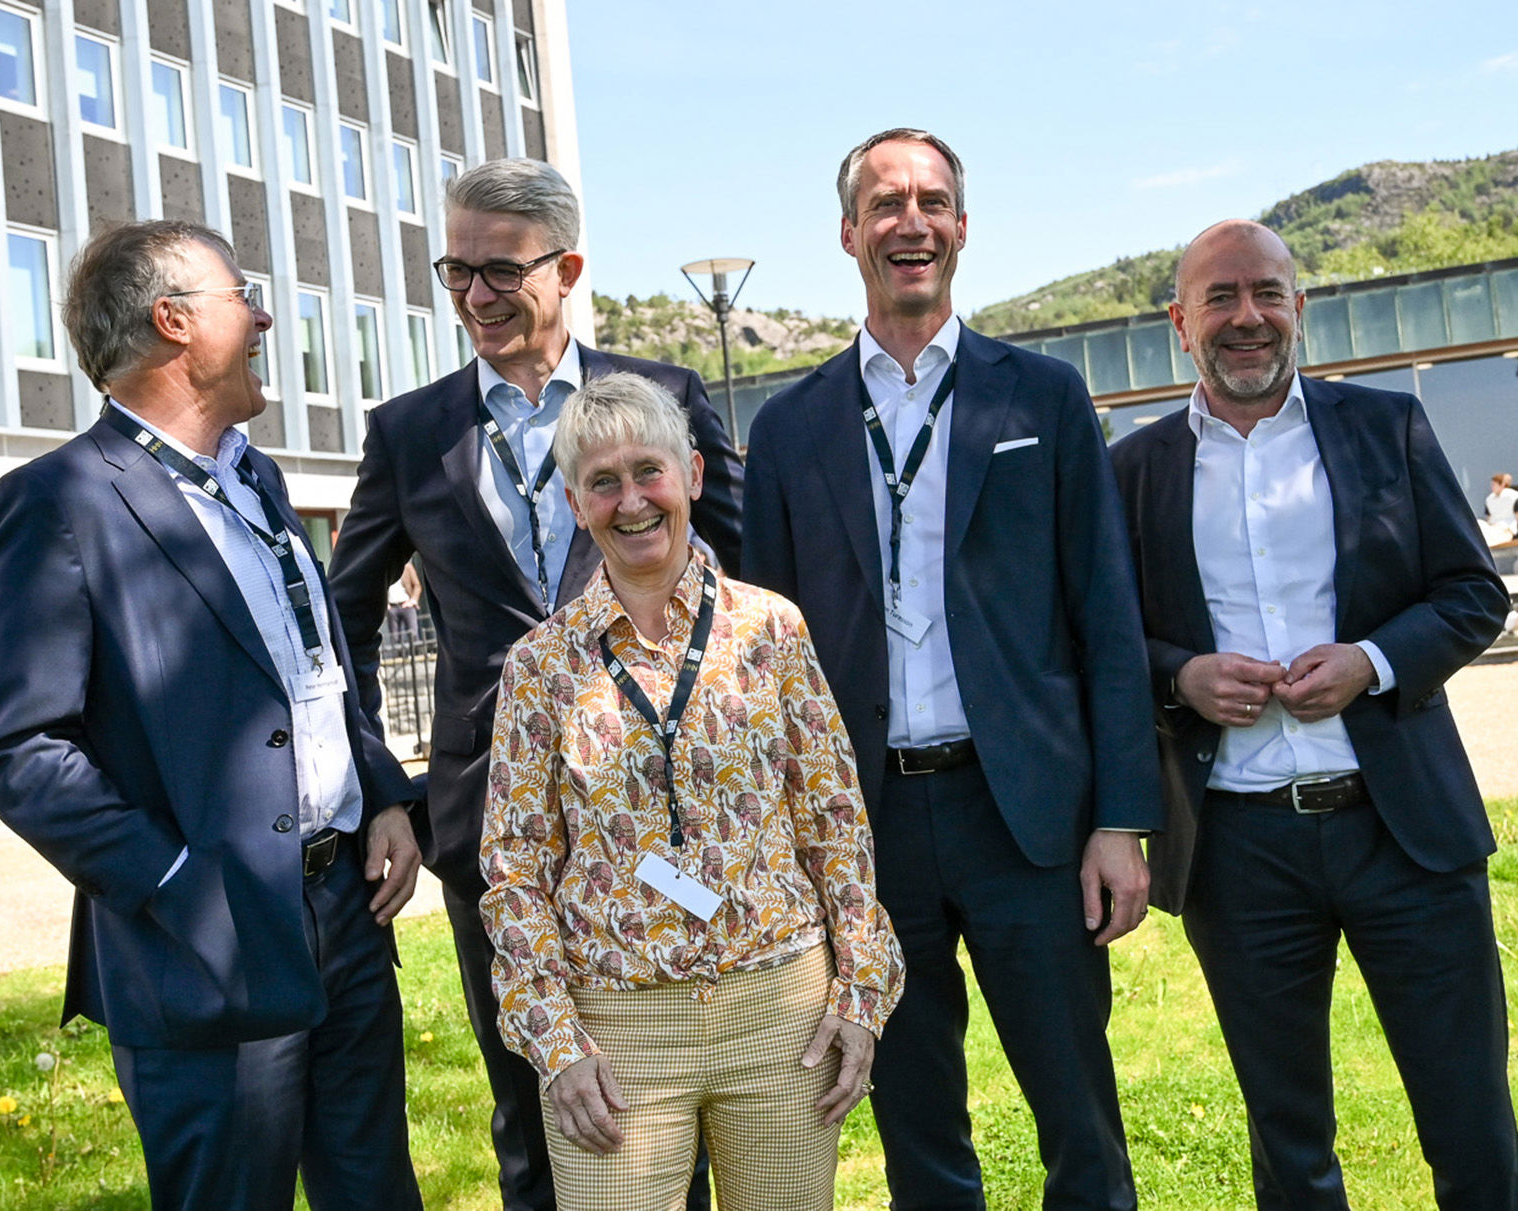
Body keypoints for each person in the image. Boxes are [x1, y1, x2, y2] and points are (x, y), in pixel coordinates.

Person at [742, 128, 1161, 1211]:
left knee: (1078, 1107)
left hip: (1024, 814)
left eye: (931, 201)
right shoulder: (788, 428)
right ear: (849, 234)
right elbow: (769, 660)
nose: (909, 221)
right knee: (914, 1116)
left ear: (962, 230)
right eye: (885, 204)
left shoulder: (1045, 399)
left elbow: (1106, 620)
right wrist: (792, 845)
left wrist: (1121, 817)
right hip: (864, 825)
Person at [0, 220, 426, 1211]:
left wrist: (383, 793)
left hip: (344, 911)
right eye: (243, 295)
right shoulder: (56, 501)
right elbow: (18, 748)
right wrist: (180, 884)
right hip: (202, 947)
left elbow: (315, 669)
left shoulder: (255, 478)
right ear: (175, 322)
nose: (264, 315)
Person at [327, 156, 743, 1211]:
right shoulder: (407, 432)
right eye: (455, 271)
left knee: (670, 1102)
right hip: (489, 830)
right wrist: (386, 785)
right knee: (535, 1107)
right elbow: (344, 619)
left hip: (665, 826)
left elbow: (747, 585)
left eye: (501, 271)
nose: (476, 295)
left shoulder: (668, 398)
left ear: (567, 268)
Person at [1110, 220, 1518, 1209]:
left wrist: (1373, 660)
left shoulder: (1384, 426)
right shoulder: (1133, 472)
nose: (1246, 316)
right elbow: (1102, 640)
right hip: (1239, 846)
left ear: (1299, 306)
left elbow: (1472, 593)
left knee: (1471, 1116)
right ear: (1181, 322)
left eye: (1267, 292)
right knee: (1287, 1135)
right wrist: (1180, 676)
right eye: (1220, 298)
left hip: (1406, 832)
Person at [481, 373, 905, 1211]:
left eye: (649, 472)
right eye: (603, 482)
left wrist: (859, 992)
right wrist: (557, 1041)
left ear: (695, 477)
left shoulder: (770, 628)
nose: (631, 500)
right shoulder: (542, 665)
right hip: (616, 1029)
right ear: (574, 501)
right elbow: (515, 863)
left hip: (779, 1010)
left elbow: (835, 821)